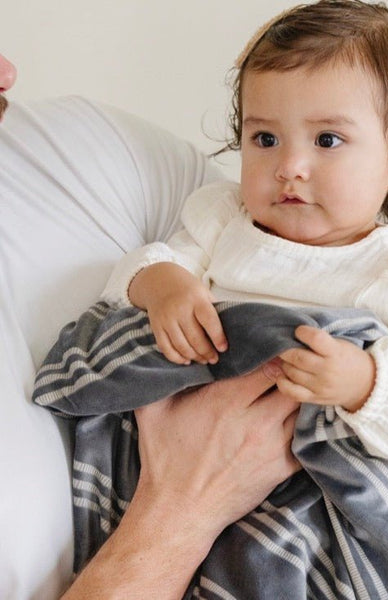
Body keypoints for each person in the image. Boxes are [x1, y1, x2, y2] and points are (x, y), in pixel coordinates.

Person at [103, 0, 388, 501]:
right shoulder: (223, 222)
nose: (290, 165)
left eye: (326, 139)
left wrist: (364, 383)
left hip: (314, 500)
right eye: (265, 137)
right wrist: (160, 284)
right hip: (185, 465)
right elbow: (127, 289)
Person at [0, 51, 300, 599]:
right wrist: (184, 508)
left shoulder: (82, 147)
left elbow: (298, 261)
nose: (7, 73)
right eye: (264, 139)